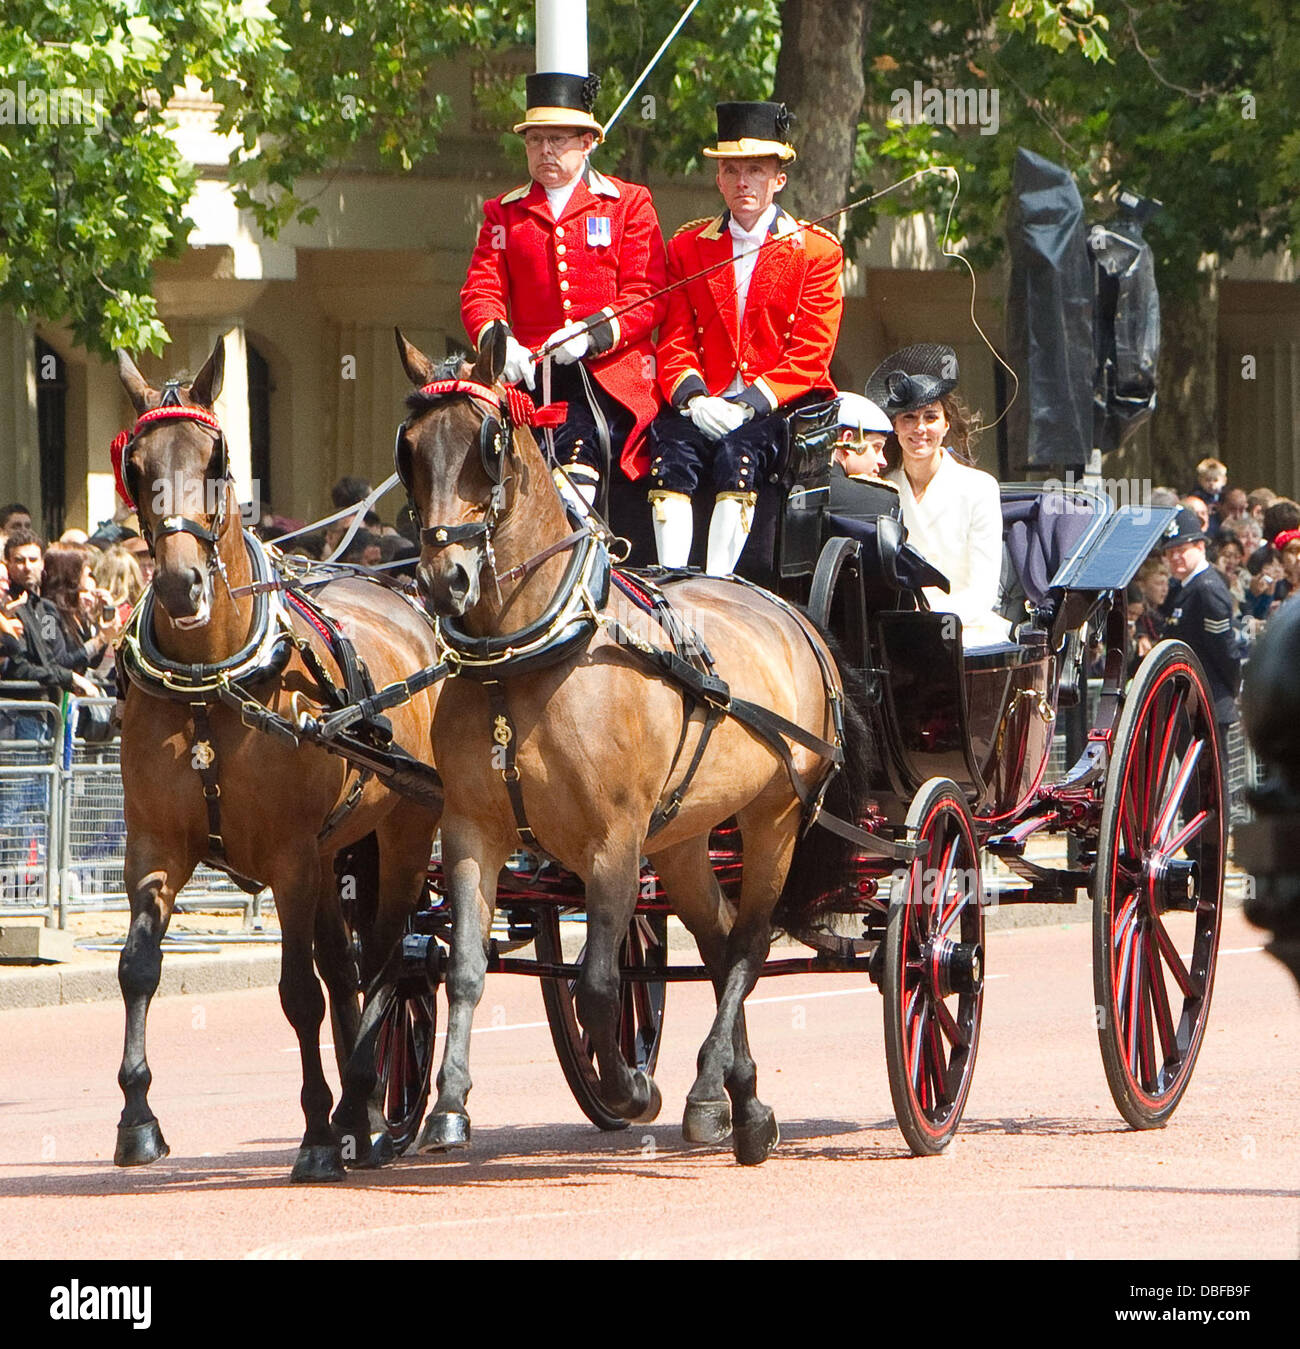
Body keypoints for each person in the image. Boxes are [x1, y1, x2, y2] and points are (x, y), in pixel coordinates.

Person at [460, 68, 666, 523]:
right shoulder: (503, 212)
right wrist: (500, 342)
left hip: (608, 376)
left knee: (575, 438)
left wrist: (590, 335)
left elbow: (648, 295)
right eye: (535, 140)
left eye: (557, 140)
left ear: (589, 142)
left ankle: (579, 551)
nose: (544, 151)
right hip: (530, 376)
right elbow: (481, 290)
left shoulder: (628, 203)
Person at [649, 100, 843, 574]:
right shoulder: (688, 247)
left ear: (779, 179)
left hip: (777, 407)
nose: (742, 182)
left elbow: (811, 354)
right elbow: (673, 337)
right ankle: (670, 584)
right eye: (731, 170)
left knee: (739, 455)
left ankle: (719, 586)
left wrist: (746, 404)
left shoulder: (816, 251)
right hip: (705, 399)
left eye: (755, 170)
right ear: (718, 179)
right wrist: (694, 399)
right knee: (669, 454)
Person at [868, 344, 1009, 645]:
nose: (920, 429)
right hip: (899, 632)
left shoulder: (980, 489)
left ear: (946, 425)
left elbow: (982, 592)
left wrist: (927, 617)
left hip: (967, 630)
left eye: (930, 417)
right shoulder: (880, 490)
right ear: (894, 426)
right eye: (908, 418)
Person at [1158, 507, 1243, 770]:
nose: (1175, 558)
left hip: (1208, 702)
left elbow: (1224, 650)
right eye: (1170, 552)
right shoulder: (1184, 589)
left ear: (1200, 547)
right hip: (1189, 704)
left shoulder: (1206, 589)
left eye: (1181, 550)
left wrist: (1230, 688)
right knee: (1192, 788)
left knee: (1208, 787)